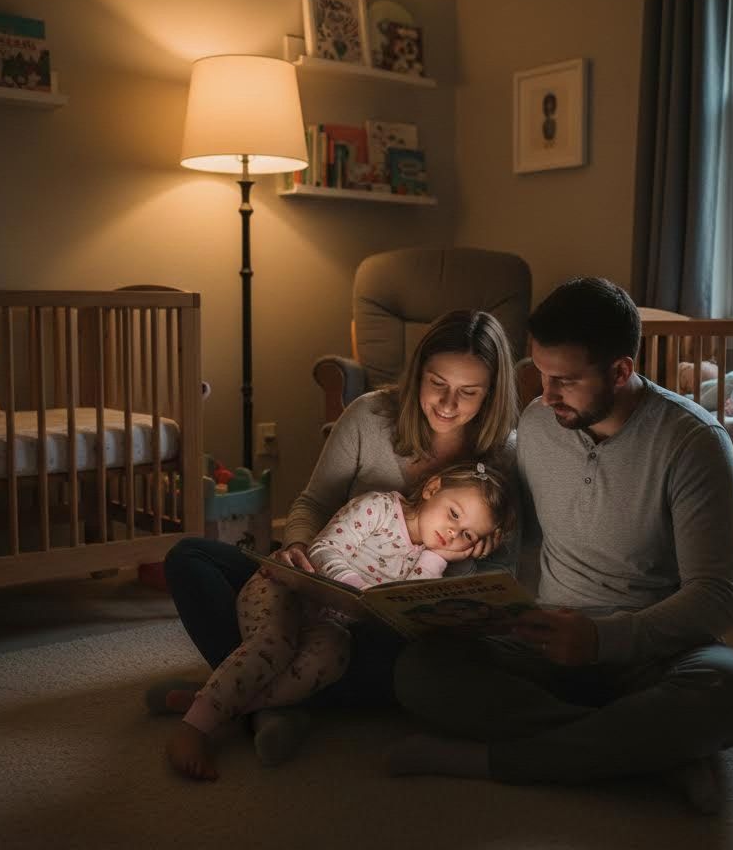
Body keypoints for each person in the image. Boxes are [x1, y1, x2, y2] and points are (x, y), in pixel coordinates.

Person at [389, 278, 733, 815]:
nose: (546, 394)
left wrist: (601, 640)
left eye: (565, 379)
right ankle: (651, 754)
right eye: (540, 373)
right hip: (544, 636)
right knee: (421, 669)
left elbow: (716, 598)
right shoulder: (539, 424)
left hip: (651, 647)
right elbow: (509, 531)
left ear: (621, 371)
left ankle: (498, 761)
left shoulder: (694, 443)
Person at [155, 309, 519, 767]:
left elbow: (492, 578)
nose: (448, 404)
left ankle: (241, 699)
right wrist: (298, 551)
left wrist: (474, 553)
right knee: (191, 559)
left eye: (468, 393)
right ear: (418, 372)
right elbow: (311, 504)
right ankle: (269, 700)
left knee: (411, 665)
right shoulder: (369, 416)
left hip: (376, 629)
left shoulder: (503, 456)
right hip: (314, 581)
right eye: (436, 383)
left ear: (490, 394)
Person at [167, 461, 514, 780]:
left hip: (330, 621)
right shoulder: (379, 508)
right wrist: (360, 592)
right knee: (273, 644)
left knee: (332, 654)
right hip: (287, 588)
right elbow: (323, 550)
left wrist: (439, 557)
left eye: (468, 535)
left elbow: (405, 603)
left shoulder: (429, 559)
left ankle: (224, 704)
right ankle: (194, 728)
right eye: (454, 515)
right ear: (432, 488)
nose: (454, 533)